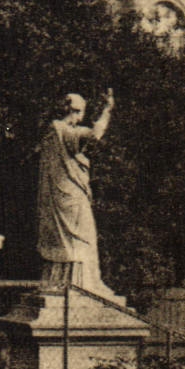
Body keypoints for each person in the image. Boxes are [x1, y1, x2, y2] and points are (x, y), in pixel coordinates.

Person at [37, 89, 116, 296]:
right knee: (84, 237)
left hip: (58, 196)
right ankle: (82, 285)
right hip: (72, 196)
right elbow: (95, 134)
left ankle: (63, 281)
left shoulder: (52, 132)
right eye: (81, 113)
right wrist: (107, 110)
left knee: (73, 239)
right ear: (77, 112)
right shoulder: (63, 130)